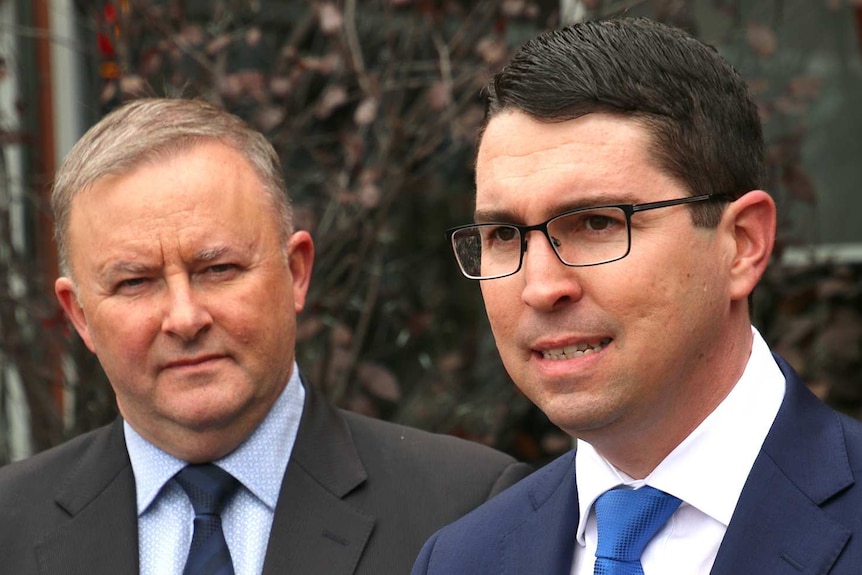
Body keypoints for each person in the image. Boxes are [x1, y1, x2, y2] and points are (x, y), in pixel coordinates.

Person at [0, 98, 531, 575]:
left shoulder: (468, 508)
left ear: (296, 272)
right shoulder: (10, 527)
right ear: (81, 317)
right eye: (135, 282)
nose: (184, 318)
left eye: (219, 269)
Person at [412, 17, 862, 575]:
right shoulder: (461, 559)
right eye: (504, 235)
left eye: (597, 223)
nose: (542, 286)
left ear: (742, 245)